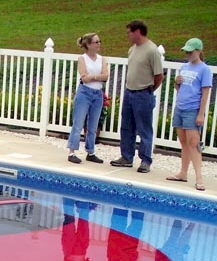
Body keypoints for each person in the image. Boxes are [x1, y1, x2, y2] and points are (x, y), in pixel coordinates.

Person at [110, 20, 164, 173]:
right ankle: (126, 157)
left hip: (143, 94)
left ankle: (145, 160)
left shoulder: (152, 50)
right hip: (129, 92)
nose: (128, 35)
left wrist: (148, 90)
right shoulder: (132, 49)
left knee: (144, 128)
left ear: (138, 31)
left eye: (129, 32)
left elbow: (159, 75)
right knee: (127, 127)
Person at [166, 38, 212, 191]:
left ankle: (199, 177)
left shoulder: (204, 69)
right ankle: (183, 172)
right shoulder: (184, 67)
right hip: (180, 107)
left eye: (190, 52)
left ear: (198, 51)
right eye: (186, 52)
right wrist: (177, 83)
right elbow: (181, 89)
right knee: (184, 142)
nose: (188, 55)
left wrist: (201, 114)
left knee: (194, 143)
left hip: (193, 109)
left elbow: (205, 93)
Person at [67, 33, 109, 164]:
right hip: (84, 93)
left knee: (93, 125)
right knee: (78, 123)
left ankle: (90, 151)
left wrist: (93, 77)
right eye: (96, 42)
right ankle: (72, 152)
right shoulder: (82, 58)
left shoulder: (102, 59)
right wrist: (97, 76)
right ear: (89, 44)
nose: (99, 44)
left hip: (98, 94)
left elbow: (106, 76)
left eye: (99, 41)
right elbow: (84, 78)